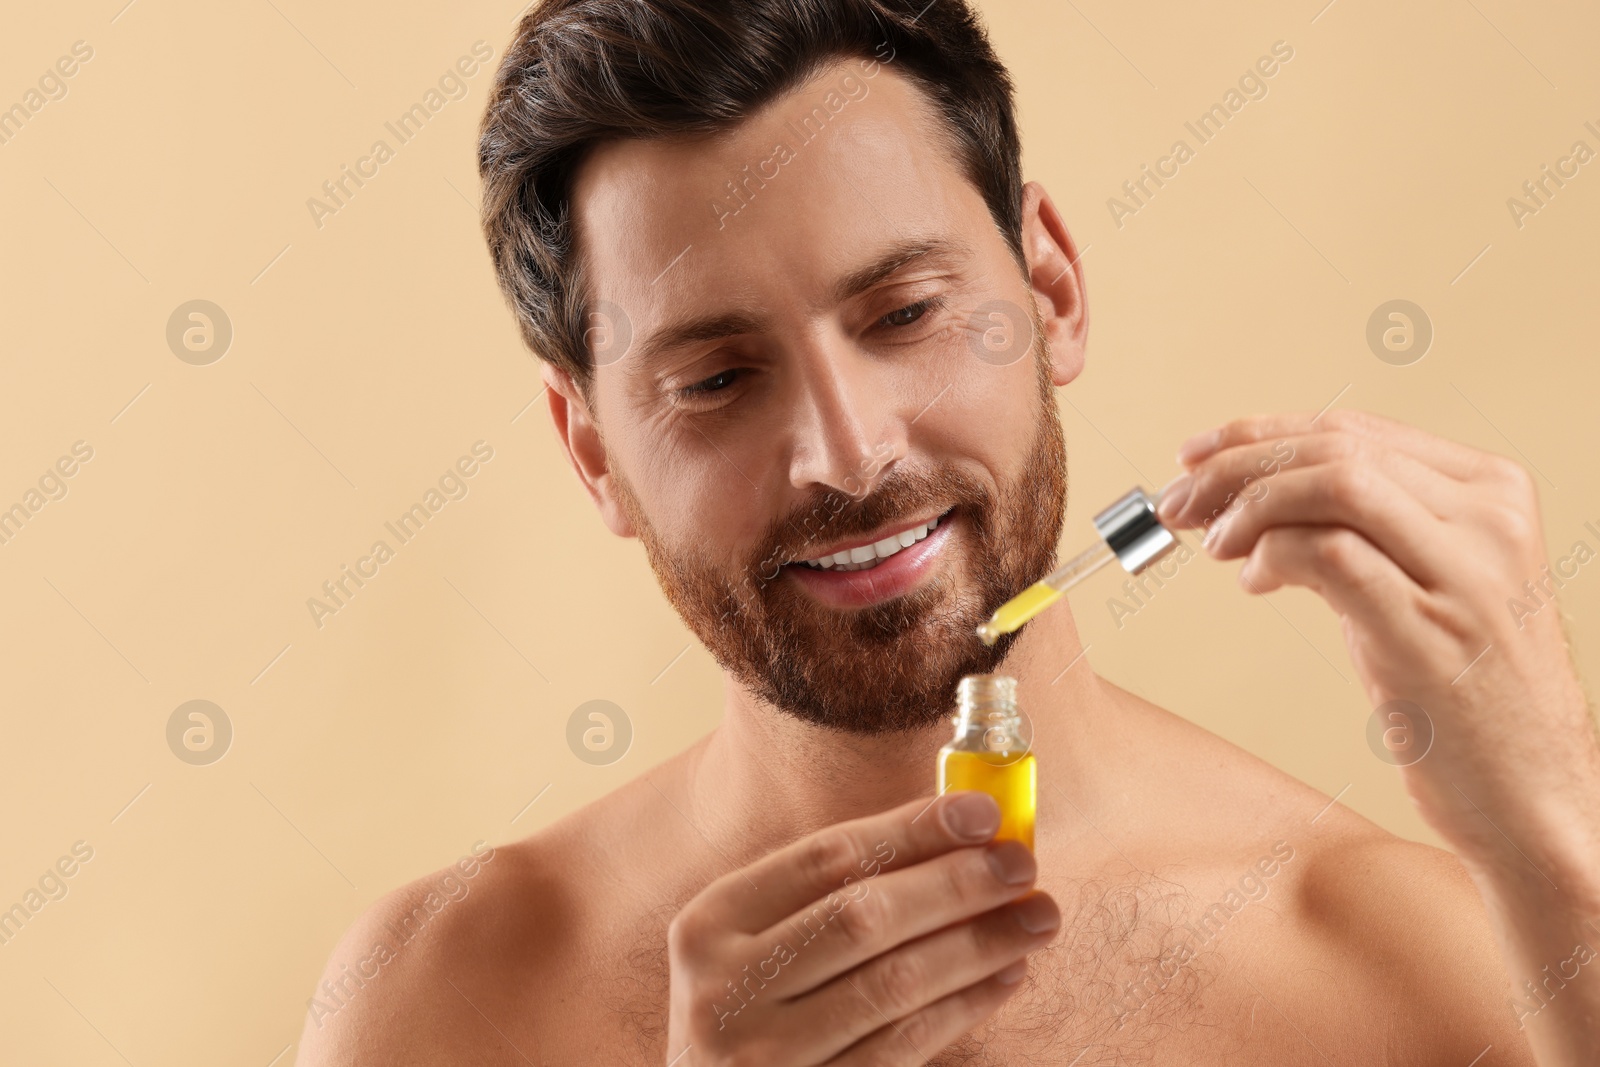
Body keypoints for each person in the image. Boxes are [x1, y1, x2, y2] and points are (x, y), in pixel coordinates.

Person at [298, 1, 1600, 1062]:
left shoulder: (1428, 976)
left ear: (1049, 288)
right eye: (715, 380)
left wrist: (1559, 842)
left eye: (905, 312)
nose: (851, 452)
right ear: (594, 451)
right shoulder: (445, 1005)